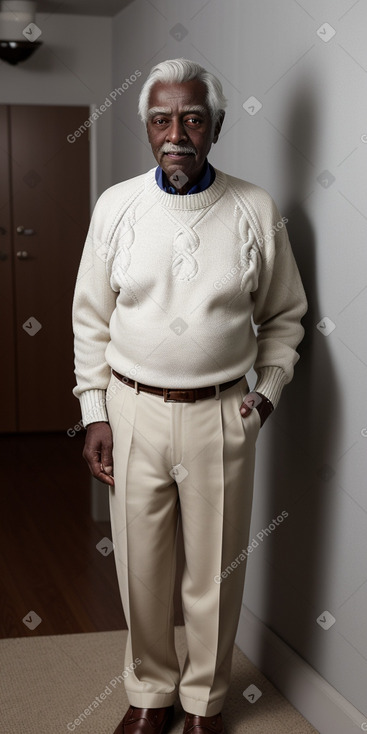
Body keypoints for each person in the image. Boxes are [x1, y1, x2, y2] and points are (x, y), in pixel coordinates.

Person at [72, 57, 307, 734]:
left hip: (221, 415)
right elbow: (90, 317)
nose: (176, 133)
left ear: (216, 129)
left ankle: (204, 702)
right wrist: (95, 412)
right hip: (131, 411)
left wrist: (264, 395)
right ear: (146, 125)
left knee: (214, 571)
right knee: (141, 572)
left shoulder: (253, 209)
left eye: (192, 119)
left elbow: (286, 317)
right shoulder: (116, 206)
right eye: (161, 119)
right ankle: (150, 693)